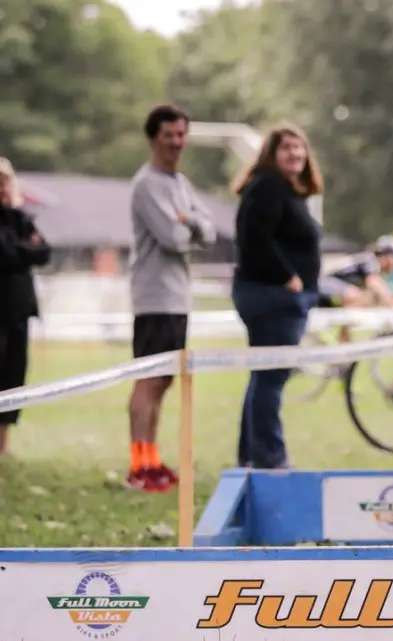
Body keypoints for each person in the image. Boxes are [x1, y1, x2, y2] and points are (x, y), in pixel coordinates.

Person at [126, 104, 217, 492]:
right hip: (154, 297)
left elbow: (209, 232)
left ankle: (153, 459)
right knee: (147, 380)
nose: (177, 142)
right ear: (154, 138)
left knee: (164, 381)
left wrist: (191, 221)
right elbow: (172, 238)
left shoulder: (181, 183)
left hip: (178, 298)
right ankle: (137, 465)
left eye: (181, 135)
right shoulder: (146, 184)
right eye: (169, 135)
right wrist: (188, 226)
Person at [230, 123, 324, 469]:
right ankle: (270, 456)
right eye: (286, 148)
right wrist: (288, 277)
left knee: (264, 375)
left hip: (284, 299)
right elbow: (253, 237)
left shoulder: (289, 192)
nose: (295, 154)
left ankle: (251, 455)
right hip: (271, 298)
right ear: (271, 154)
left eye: (299, 148)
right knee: (271, 376)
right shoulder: (267, 187)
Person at [0, 157, 51, 457]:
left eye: (5, 182)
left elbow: (44, 251)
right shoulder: (20, 226)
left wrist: (19, 250)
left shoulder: (21, 218)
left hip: (20, 311)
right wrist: (25, 249)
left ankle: (3, 445)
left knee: (13, 378)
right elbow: (5, 253)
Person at [317, 235, 393, 343]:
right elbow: (375, 285)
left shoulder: (371, 265)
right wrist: (392, 305)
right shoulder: (370, 260)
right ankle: (343, 339)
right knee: (358, 296)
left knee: (365, 300)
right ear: (389, 257)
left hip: (329, 289)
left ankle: (344, 338)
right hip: (324, 286)